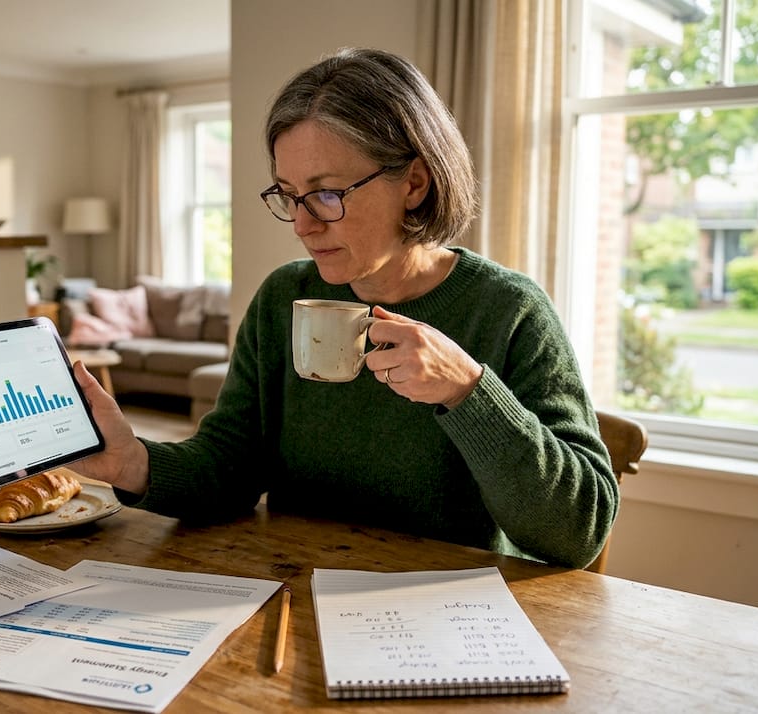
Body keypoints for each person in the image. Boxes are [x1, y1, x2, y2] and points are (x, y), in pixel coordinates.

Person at [70, 47, 618, 569]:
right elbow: (228, 467)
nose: (303, 225)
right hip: (297, 596)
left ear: (414, 183)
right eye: (289, 195)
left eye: (327, 194)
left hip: (448, 615)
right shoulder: (283, 298)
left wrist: (467, 391)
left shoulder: (508, 310)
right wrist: (132, 462)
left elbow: (577, 533)